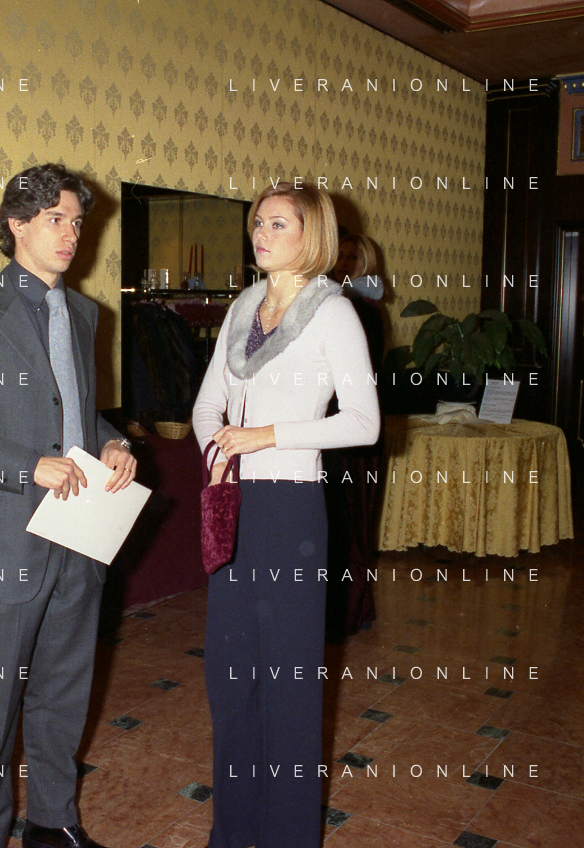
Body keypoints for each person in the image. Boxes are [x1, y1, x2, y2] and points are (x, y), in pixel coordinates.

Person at [0, 163, 135, 848]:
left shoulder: (86, 315)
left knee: (64, 692)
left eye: (76, 222)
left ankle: (52, 822)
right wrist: (26, 465)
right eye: (54, 219)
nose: (70, 234)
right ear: (16, 224)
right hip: (2, 540)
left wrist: (114, 441)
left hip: (78, 531)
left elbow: (76, 416)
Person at [191, 182, 380, 848]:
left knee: (288, 689)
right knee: (229, 679)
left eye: (277, 224)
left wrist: (265, 436)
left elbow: (363, 423)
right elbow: (206, 405)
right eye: (257, 223)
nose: (261, 234)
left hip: (291, 510)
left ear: (312, 235)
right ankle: (232, 833)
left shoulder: (334, 312)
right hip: (232, 501)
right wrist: (216, 452)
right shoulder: (243, 306)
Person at [326, 231, 386, 636]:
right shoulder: (344, 304)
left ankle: (346, 611)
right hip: (340, 431)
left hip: (352, 434)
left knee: (349, 524)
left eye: (353, 258)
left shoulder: (359, 308)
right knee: (341, 523)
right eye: (340, 256)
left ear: (366, 264)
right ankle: (349, 609)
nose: (344, 264)